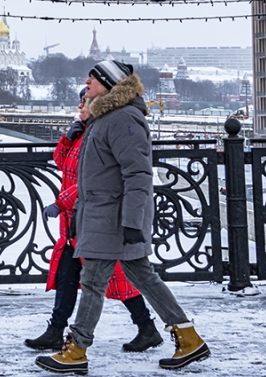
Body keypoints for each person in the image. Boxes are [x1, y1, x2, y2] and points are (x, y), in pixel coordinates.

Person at [36, 60, 210, 375]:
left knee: (92, 282)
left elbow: (138, 174)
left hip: (115, 220)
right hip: (104, 217)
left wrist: (132, 222)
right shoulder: (105, 117)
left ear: (107, 83)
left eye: (92, 77)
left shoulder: (123, 118)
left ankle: (76, 351)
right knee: (142, 277)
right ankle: (188, 337)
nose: (86, 81)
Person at [25, 88, 161, 353]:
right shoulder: (84, 132)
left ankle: (147, 327)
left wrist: (59, 202)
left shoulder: (101, 132)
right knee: (67, 274)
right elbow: (63, 163)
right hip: (75, 221)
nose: (79, 106)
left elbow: (93, 181)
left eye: (83, 101)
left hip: (93, 217)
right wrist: (68, 138)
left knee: (116, 279)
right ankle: (56, 329)